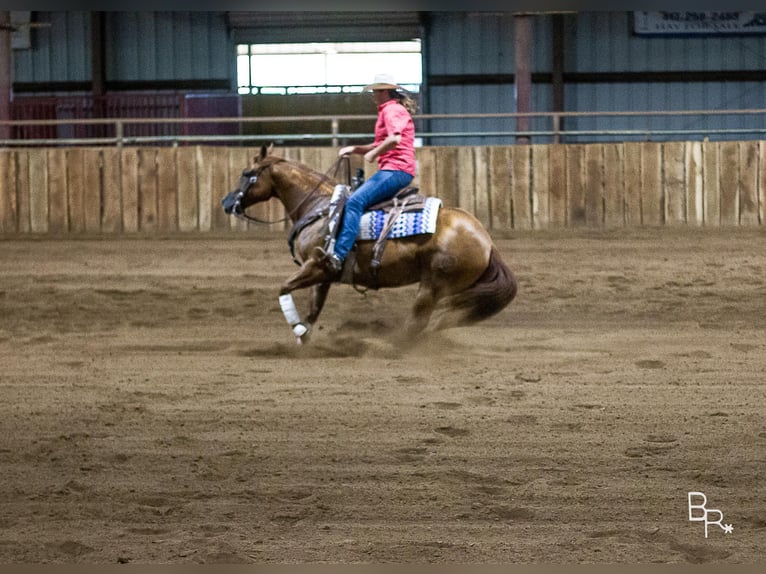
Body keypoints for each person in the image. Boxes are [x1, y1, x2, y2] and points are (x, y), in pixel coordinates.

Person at [323, 73, 418, 274]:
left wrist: (374, 153)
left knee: (355, 202)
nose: (373, 95)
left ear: (384, 91)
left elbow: (394, 139)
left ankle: (339, 255)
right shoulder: (389, 110)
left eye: (375, 91)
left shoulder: (392, 110)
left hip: (396, 169)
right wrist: (355, 149)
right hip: (396, 169)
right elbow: (381, 142)